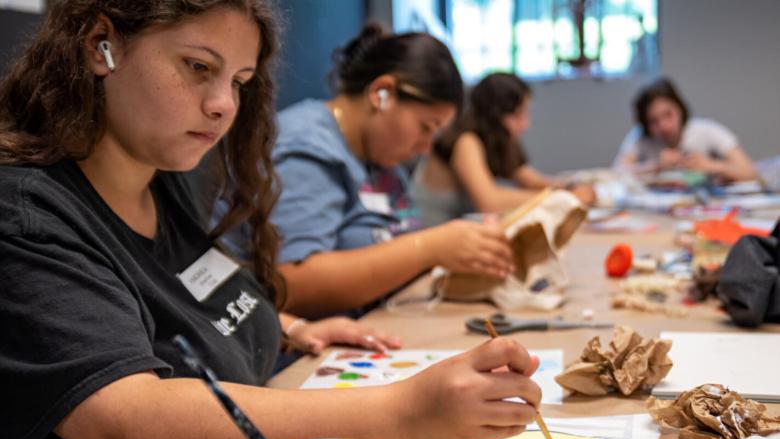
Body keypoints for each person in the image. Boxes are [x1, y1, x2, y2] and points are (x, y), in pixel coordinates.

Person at [0, 1, 542, 439]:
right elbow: (128, 424)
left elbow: (178, 300)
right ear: (102, 45)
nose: (222, 106)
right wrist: (404, 414)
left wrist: (280, 324)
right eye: (197, 67)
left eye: (238, 81)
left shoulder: (157, 175)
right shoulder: (27, 215)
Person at [216, 25, 515, 318]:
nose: (425, 148)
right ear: (381, 93)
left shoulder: (381, 162)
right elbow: (291, 282)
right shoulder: (306, 148)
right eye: (425, 128)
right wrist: (430, 247)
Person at [413, 72, 596, 227]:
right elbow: (489, 201)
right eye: (518, 115)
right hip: (428, 237)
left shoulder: (497, 140)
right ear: (496, 114)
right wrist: (562, 198)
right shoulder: (466, 141)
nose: (525, 124)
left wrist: (570, 188)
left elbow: (531, 180)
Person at [613, 77, 757, 182]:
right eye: (653, 121)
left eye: (668, 114)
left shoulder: (706, 130)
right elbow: (616, 172)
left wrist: (711, 165)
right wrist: (655, 166)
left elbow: (749, 171)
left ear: (680, 108)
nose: (663, 126)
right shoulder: (640, 136)